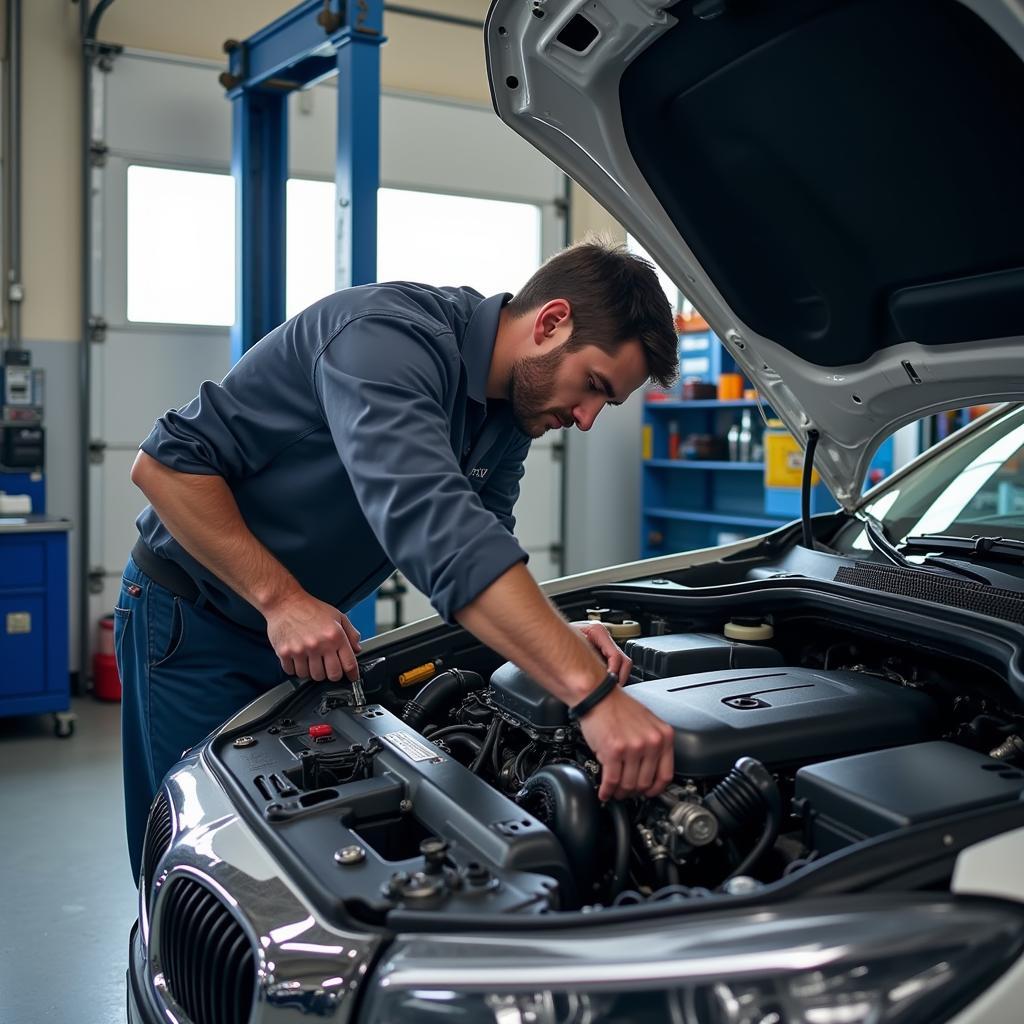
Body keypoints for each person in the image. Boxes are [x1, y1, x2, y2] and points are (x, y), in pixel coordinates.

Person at [117, 239, 679, 880]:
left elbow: (482, 542)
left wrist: (550, 637)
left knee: (284, 859)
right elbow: (162, 466)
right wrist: (594, 694)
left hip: (301, 639)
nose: (585, 419)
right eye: (594, 388)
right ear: (551, 323)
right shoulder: (385, 340)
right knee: (191, 860)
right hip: (194, 619)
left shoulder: (504, 418)